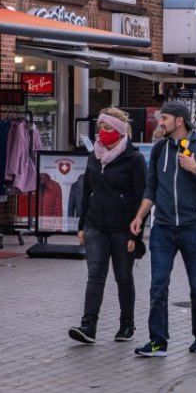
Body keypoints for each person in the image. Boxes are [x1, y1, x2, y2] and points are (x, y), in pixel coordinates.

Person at [130, 102, 196, 356]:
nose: (160, 123)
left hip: (193, 227)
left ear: (179, 121)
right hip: (162, 228)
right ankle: (158, 341)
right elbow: (151, 187)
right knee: (158, 285)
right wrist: (140, 216)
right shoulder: (160, 149)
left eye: (165, 119)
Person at [69, 109, 147, 345]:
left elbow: (141, 197)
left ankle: (127, 324)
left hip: (123, 227)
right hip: (96, 224)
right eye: (101, 128)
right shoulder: (95, 156)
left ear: (120, 131)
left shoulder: (134, 159)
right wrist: (81, 225)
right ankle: (88, 326)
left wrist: (138, 234)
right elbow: (86, 191)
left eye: (108, 129)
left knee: (123, 276)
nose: (103, 133)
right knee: (95, 276)